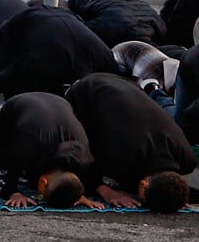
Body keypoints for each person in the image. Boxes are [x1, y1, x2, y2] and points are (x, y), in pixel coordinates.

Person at [64, 74, 192, 212]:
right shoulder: (122, 156)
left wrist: (174, 199)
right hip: (85, 90)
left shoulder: (186, 159)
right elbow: (82, 157)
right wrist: (107, 192)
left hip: (124, 82)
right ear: (144, 184)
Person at [0, 92, 93, 210]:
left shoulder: (82, 156)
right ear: (43, 182)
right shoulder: (25, 146)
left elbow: (78, 181)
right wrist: (13, 192)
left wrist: (75, 195)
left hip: (59, 101)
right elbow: (0, 170)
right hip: (17, 106)